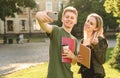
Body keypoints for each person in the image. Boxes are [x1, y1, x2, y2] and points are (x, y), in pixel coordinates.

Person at [35, 6, 78, 78]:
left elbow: (74, 62)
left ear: (75, 21)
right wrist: (38, 15)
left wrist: (73, 56)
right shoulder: (56, 30)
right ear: (62, 19)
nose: (69, 19)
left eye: (72, 18)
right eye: (67, 17)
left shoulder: (74, 40)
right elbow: (45, 26)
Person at [77, 13, 108, 78]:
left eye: (91, 23)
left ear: (96, 28)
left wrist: (96, 45)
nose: (87, 23)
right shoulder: (83, 40)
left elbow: (102, 60)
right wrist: (78, 58)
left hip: (95, 75)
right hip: (85, 74)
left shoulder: (100, 40)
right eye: (87, 21)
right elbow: (79, 63)